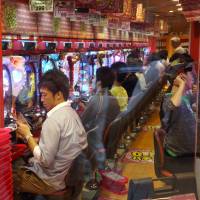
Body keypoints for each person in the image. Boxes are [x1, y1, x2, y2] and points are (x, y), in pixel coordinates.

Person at [15, 70, 87, 197]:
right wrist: (37, 141)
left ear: (58, 95)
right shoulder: (71, 113)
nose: (41, 100)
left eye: (44, 95)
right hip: (69, 176)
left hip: (51, 182)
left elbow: (45, 160)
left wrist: (27, 135)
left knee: (9, 174)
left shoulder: (53, 121)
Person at [81, 67, 120, 173]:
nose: (92, 80)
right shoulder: (113, 98)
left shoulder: (96, 99)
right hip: (107, 141)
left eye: (93, 78)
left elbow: (81, 123)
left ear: (99, 82)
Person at [161, 73, 195, 157]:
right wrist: (182, 85)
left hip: (190, 148)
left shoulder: (187, 96)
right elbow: (173, 106)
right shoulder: (168, 98)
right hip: (177, 150)